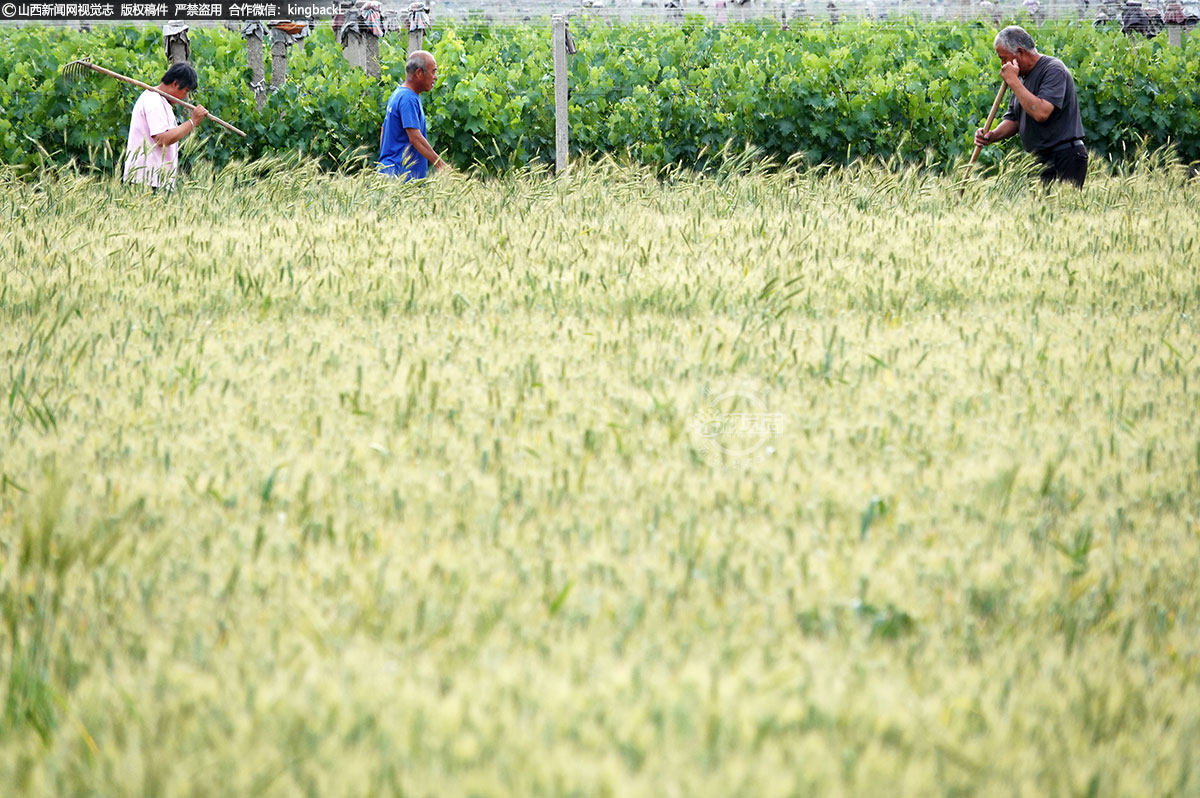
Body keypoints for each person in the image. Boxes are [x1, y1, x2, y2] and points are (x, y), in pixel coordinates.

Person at [973, 26, 1087, 188]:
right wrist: (991, 136)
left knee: (1062, 211)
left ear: (1020, 52)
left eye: (1004, 58)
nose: (1003, 65)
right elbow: (1014, 119)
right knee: (1037, 212)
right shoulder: (1022, 78)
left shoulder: (1053, 69)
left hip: (1064, 156)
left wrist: (1013, 81)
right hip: (1038, 160)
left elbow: (1041, 112)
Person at [123, 62, 208, 189]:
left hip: (157, 180)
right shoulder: (153, 101)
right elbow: (162, 139)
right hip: (145, 180)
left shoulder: (163, 102)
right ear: (175, 84)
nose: (185, 97)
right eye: (185, 91)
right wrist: (192, 122)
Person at [378, 50, 451, 180]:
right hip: (401, 179)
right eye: (433, 71)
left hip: (389, 174)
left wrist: (386, 162)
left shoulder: (398, 93)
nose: (435, 77)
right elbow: (415, 138)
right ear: (419, 73)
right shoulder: (408, 98)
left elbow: (384, 130)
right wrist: (440, 165)